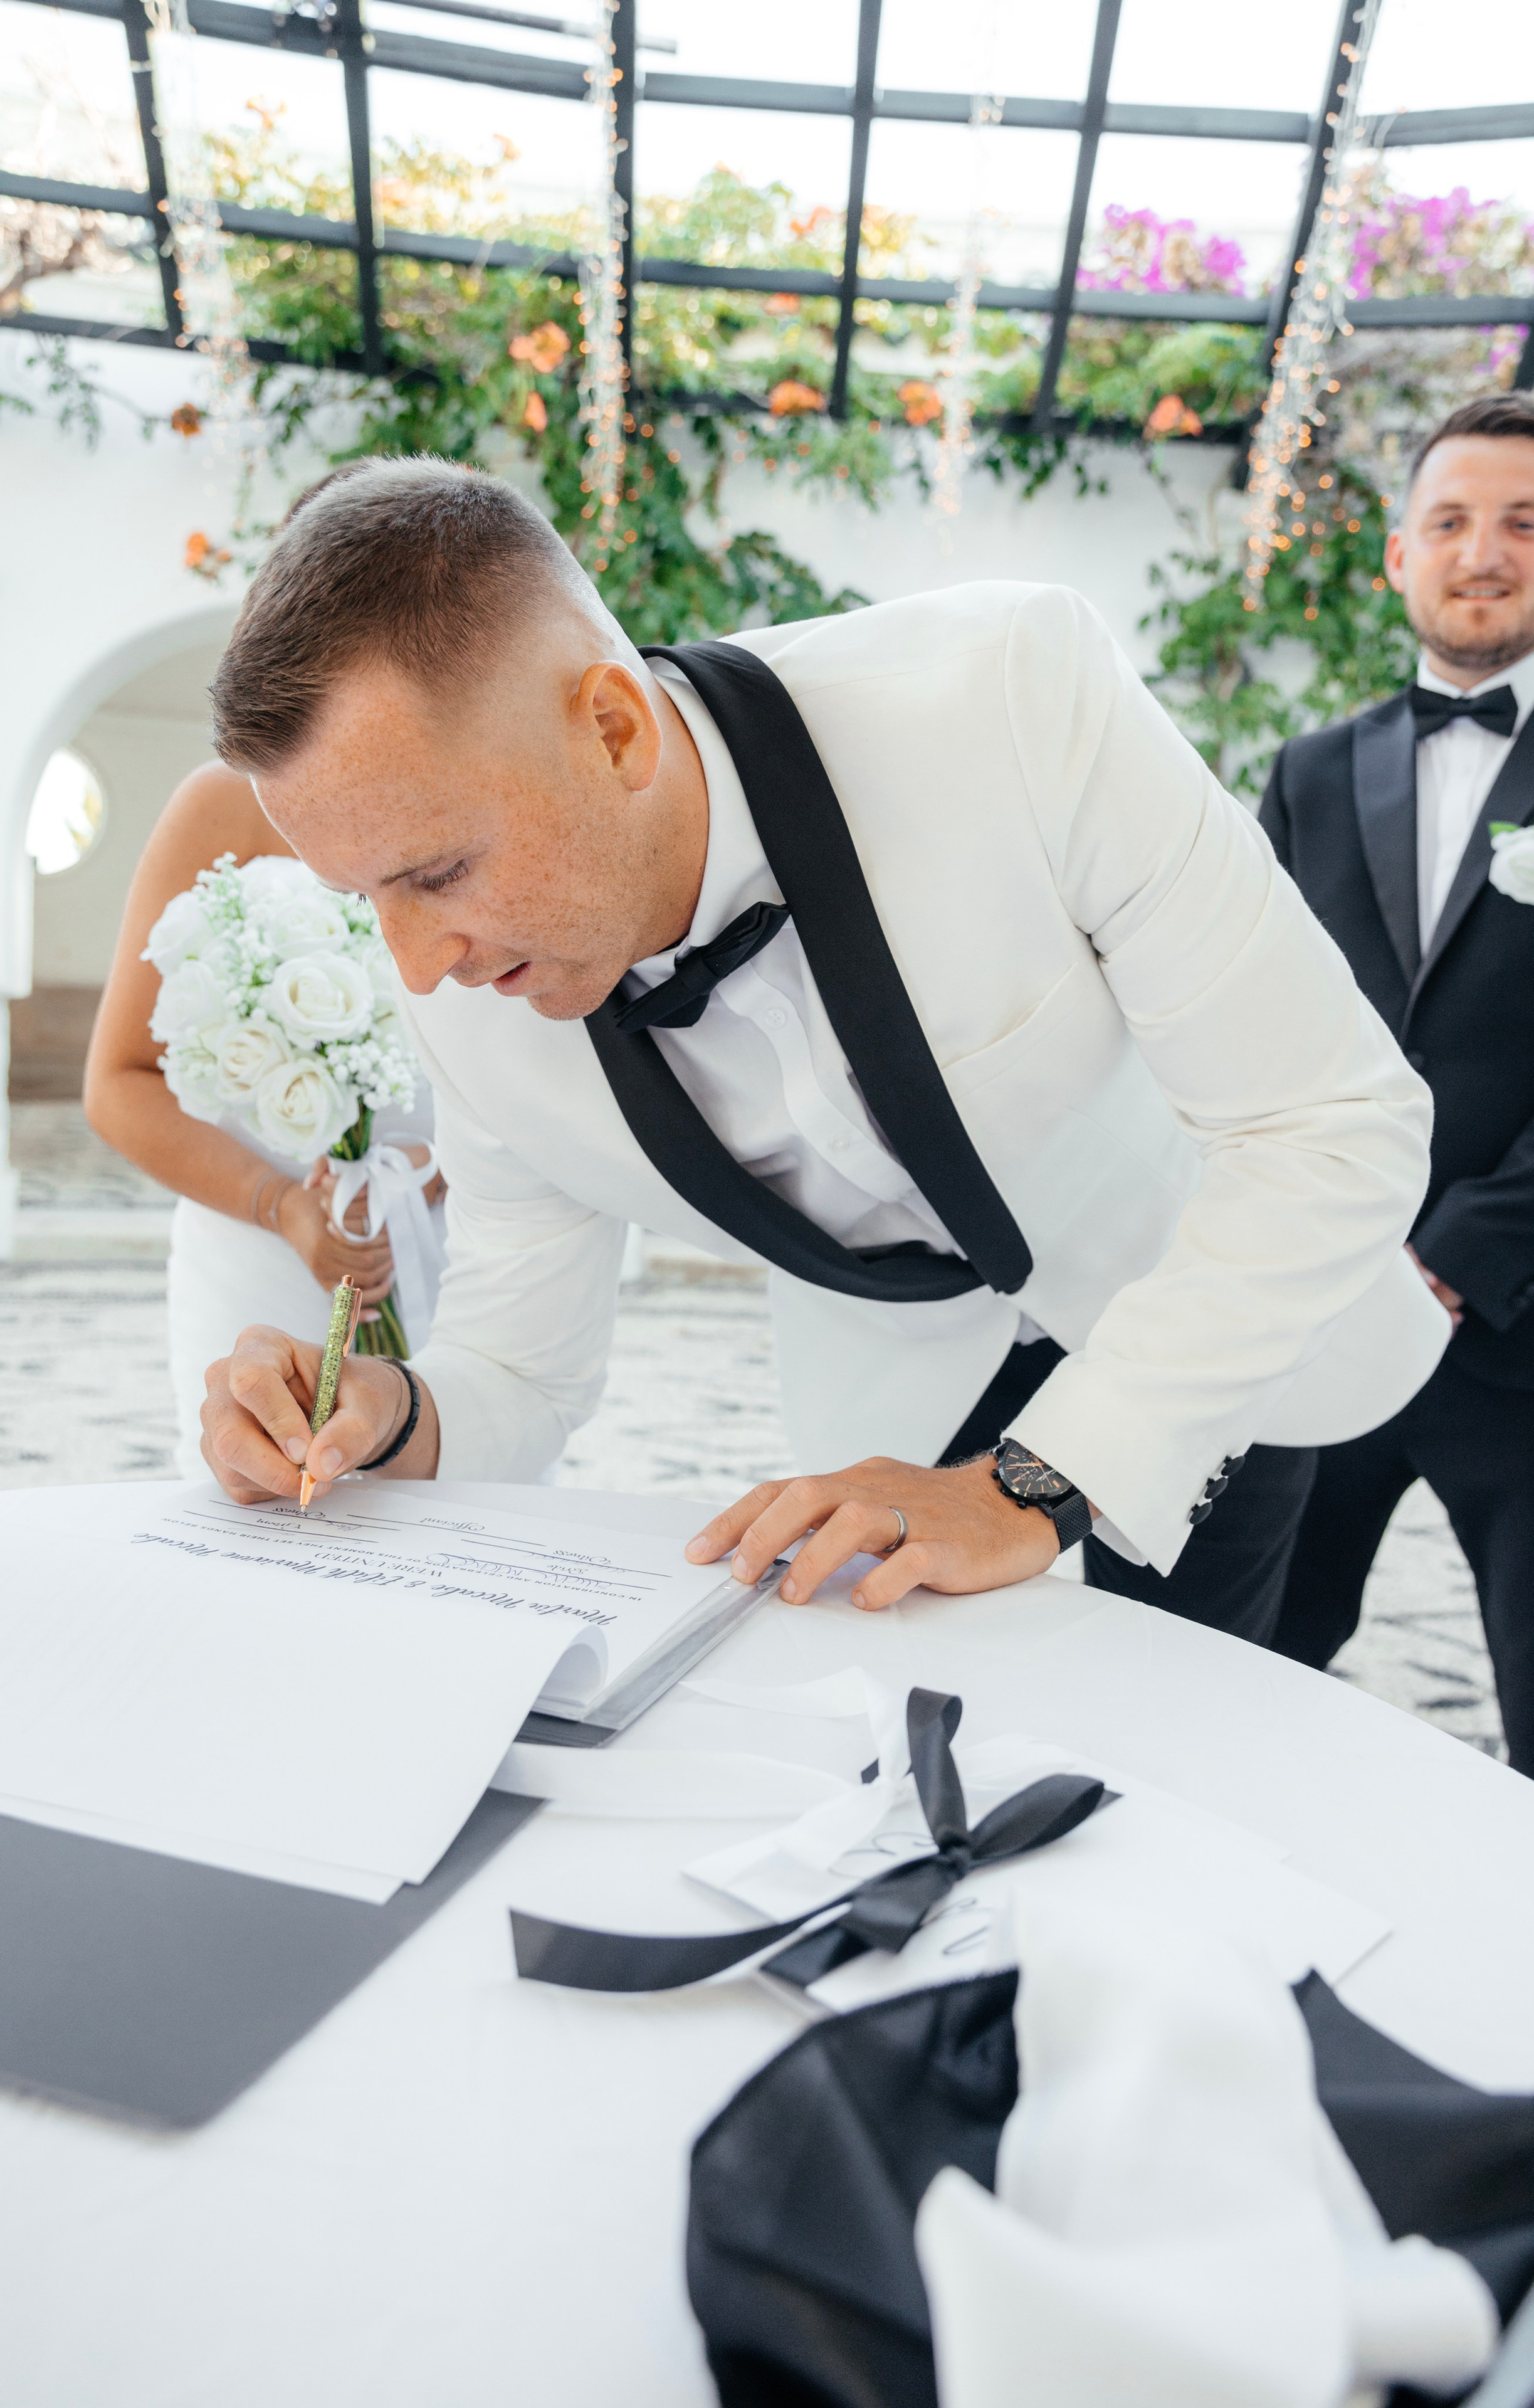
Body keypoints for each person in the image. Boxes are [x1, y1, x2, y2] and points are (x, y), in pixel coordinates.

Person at [196, 458, 1447, 1640]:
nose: (416, 965)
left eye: (437, 871)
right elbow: (518, 1369)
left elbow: (1330, 1125)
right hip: (887, 1434)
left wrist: (1035, 1484)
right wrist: (390, 1412)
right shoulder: (465, 993)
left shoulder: (1010, 695)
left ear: (616, 730)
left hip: (1213, 1334)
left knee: (1184, 1777)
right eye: (369, 898)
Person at [1262, 392, 1534, 1817]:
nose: (1482, 550)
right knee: (1238, 1664)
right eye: (1448, 522)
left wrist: (1458, 1255)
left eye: (1518, 521)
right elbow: (1256, 1028)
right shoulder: (1310, 772)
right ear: (1393, 556)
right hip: (1322, 1316)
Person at [83, 763, 441, 1477]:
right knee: (268, 1483)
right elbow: (119, 1084)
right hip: (256, 1255)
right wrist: (282, 1206)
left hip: (455, 1235)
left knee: (474, 1492)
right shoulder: (221, 801)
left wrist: (439, 1171)